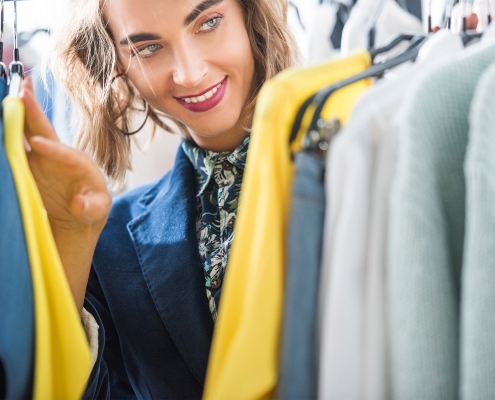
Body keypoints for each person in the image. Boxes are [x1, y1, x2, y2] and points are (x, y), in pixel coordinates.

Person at [20, 0, 298, 398]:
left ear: (250, 12)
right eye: (147, 48)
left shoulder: (356, 164)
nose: (190, 73)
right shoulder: (107, 241)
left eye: (209, 23)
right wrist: (72, 234)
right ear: (115, 63)